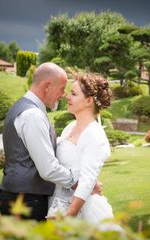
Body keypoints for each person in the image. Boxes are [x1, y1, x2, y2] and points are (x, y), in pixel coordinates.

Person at [0, 62, 81, 221]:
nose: (64, 94)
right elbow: (48, 168)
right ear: (47, 86)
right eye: (62, 88)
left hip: (18, 197)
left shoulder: (22, 107)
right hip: (26, 202)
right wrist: (80, 183)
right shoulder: (33, 115)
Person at [47, 72, 114, 225]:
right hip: (58, 200)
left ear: (88, 101)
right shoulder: (69, 127)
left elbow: (87, 180)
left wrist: (70, 213)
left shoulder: (94, 134)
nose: (67, 97)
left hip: (80, 209)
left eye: (74, 94)